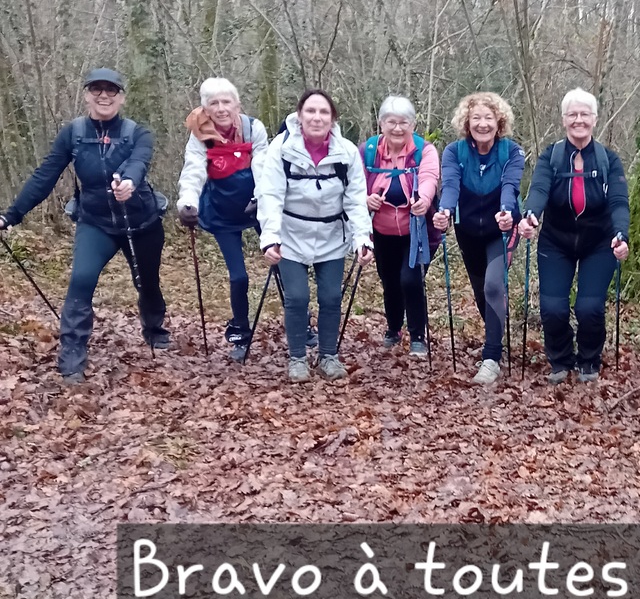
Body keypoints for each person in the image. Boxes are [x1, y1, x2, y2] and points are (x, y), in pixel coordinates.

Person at [0, 68, 170, 383]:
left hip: (141, 222)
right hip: (96, 223)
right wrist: (11, 215)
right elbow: (45, 175)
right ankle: (72, 357)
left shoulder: (137, 133)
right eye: (96, 89)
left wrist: (129, 182)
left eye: (111, 90)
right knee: (81, 280)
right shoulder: (73, 133)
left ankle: (154, 327)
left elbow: (139, 162)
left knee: (147, 282)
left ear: (122, 97)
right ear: (87, 95)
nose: (103, 95)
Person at [256, 89, 373, 382]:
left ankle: (328, 356)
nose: (316, 118)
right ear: (299, 116)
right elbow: (270, 195)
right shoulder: (281, 149)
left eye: (323, 112)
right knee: (297, 296)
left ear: (333, 118)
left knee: (331, 297)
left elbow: (356, 199)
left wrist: (362, 238)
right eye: (310, 111)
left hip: (332, 235)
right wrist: (270, 238)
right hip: (291, 236)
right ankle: (297, 359)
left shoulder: (346, 152)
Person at [517, 89, 629, 383]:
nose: (579, 120)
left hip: (599, 243)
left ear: (595, 119)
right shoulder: (551, 157)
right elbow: (539, 189)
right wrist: (530, 215)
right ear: (564, 119)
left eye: (584, 114)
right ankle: (560, 360)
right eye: (572, 115)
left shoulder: (608, 160)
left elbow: (619, 201)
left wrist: (621, 234)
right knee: (553, 309)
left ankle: (589, 360)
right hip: (556, 241)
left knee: (589, 308)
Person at [176, 77, 271, 362]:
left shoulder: (253, 128)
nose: (220, 108)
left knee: (284, 264)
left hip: (256, 207)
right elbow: (194, 169)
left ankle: (302, 325)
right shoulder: (200, 135)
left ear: (237, 104)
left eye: (226, 102)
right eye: (213, 103)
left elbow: (263, 165)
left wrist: (261, 197)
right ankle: (240, 332)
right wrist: (188, 203)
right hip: (221, 211)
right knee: (239, 276)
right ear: (205, 108)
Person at [436, 91, 526, 384]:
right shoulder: (454, 152)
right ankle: (495, 338)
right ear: (467, 122)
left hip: (501, 230)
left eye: (489, 117)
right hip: (468, 232)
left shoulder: (512, 152)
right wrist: (444, 210)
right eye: (476, 118)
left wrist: (507, 212)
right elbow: (450, 185)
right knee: (481, 292)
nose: (482, 124)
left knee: (493, 286)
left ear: (499, 122)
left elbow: (510, 186)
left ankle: (491, 359)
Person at [363, 95, 439, 358]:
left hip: (415, 231)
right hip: (382, 232)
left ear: (413, 124)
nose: (397, 128)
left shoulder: (424, 150)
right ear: (381, 123)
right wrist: (366, 199)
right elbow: (354, 183)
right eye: (391, 122)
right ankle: (394, 329)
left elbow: (429, 178)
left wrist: (423, 200)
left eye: (403, 122)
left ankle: (418, 337)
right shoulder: (368, 151)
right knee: (390, 281)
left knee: (410, 279)